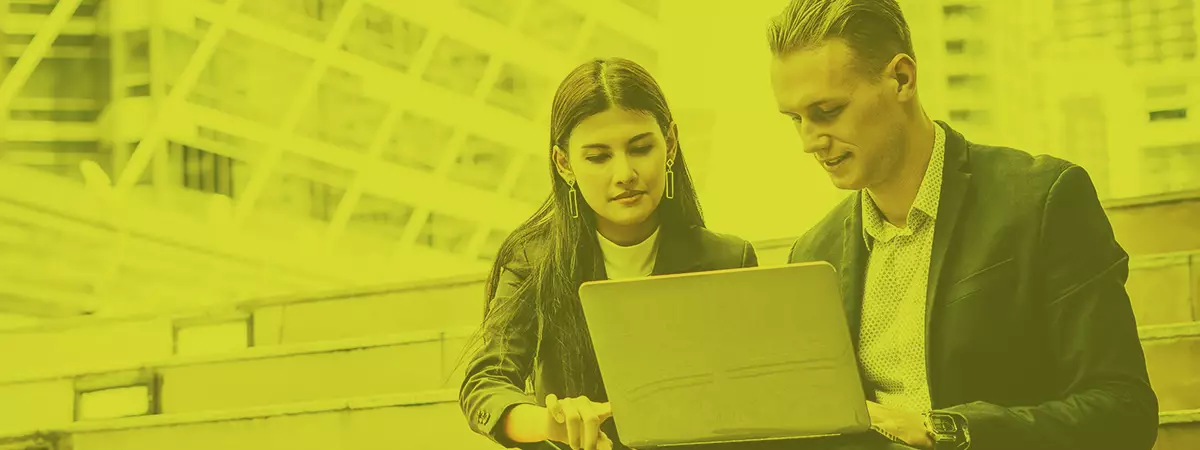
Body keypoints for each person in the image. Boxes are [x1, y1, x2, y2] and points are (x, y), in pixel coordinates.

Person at [768, 1, 1159, 449]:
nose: (808, 141)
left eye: (828, 111)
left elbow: (1124, 411)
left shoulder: (1043, 200)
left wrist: (945, 430)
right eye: (795, 119)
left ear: (901, 79)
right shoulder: (814, 255)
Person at [458, 57, 759, 450]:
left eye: (640, 148)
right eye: (598, 157)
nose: (624, 174)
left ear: (670, 143)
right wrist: (549, 421)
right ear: (564, 163)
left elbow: (755, 399)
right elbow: (486, 382)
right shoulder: (534, 260)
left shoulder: (728, 260)